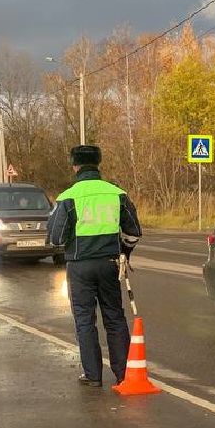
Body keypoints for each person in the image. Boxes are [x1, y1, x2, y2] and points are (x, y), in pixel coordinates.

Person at [47, 144, 142, 387]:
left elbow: (56, 238)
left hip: (79, 266)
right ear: (98, 164)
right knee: (114, 317)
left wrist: (72, 242)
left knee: (84, 319)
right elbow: (134, 232)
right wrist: (124, 251)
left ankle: (92, 375)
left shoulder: (68, 197)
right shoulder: (116, 193)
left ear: (75, 166)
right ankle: (123, 374)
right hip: (110, 263)